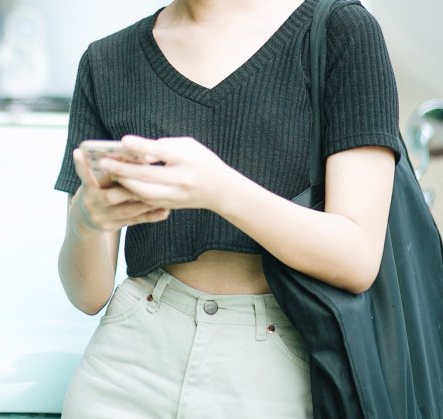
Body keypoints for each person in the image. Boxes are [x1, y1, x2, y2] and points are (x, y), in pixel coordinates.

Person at [54, 0, 401, 417]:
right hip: (128, 361)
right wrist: (85, 222)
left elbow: (357, 257)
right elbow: (88, 294)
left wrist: (218, 188)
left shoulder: (339, 30)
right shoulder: (107, 60)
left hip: (275, 364)